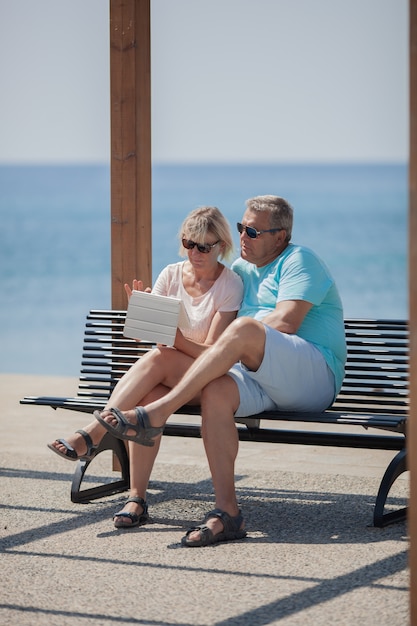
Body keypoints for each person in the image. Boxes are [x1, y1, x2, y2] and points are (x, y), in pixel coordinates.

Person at [94, 195, 347, 547]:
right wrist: (158, 317)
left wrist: (235, 340)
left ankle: (157, 413)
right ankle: (228, 513)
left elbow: (287, 322)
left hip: (312, 375)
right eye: (243, 227)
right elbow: (204, 328)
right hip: (257, 375)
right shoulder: (240, 272)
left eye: (254, 231)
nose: (244, 236)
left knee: (244, 330)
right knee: (216, 390)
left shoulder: (299, 260)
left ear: (281, 236)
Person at [48, 206, 243, 528]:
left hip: (207, 380)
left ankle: (93, 433)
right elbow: (144, 339)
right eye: (189, 243)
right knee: (148, 393)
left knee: (160, 358)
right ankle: (136, 499)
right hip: (168, 374)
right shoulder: (170, 274)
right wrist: (142, 314)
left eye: (204, 246)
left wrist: (172, 337)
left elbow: (212, 354)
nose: (195, 253)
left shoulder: (230, 285)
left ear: (221, 246)